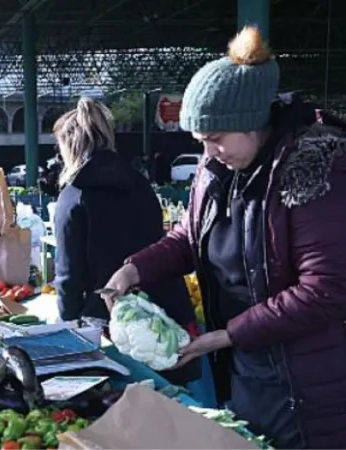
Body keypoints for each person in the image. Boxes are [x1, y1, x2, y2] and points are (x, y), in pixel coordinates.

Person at [102, 27, 346, 449]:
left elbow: (325, 288)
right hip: (248, 369)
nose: (208, 152)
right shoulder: (218, 170)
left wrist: (227, 334)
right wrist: (134, 267)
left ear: (251, 123)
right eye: (200, 142)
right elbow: (189, 237)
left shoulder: (314, 172)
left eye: (215, 139)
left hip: (308, 384)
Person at [51, 98, 199, 385]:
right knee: (177, 410)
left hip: (117, 325)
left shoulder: (74, 195)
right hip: (168, 311)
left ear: (69, 147)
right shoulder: (139, 182)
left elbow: (69, 275)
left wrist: (69, 328)